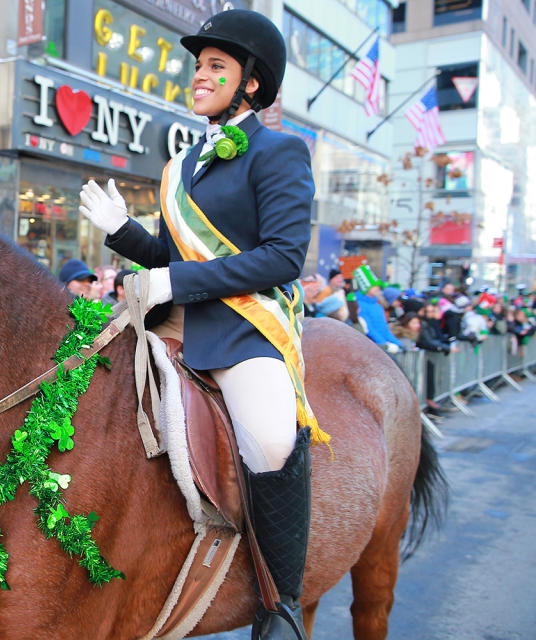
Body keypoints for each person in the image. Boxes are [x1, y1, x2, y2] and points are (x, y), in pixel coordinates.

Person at [78, 10, 324, 638]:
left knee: (270, 439)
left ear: (250, 83)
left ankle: (282, 606)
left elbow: (283, 256)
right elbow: (170, 257)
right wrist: (121, 233)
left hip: (245, 332)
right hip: (173, 326)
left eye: (216, 66)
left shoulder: (280, 151)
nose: (199, 76)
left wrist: (176, 282)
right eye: (198, 65)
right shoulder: (180, 166)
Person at [352, 266, 402, 353]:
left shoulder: (378, 306)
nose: (378, 288)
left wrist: (398, 343)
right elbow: (369, 329)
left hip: (382, 347)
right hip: (371, 349)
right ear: (366, 288)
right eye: (374, 286)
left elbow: (384, 329)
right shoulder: (359, 305)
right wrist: (384, 344)